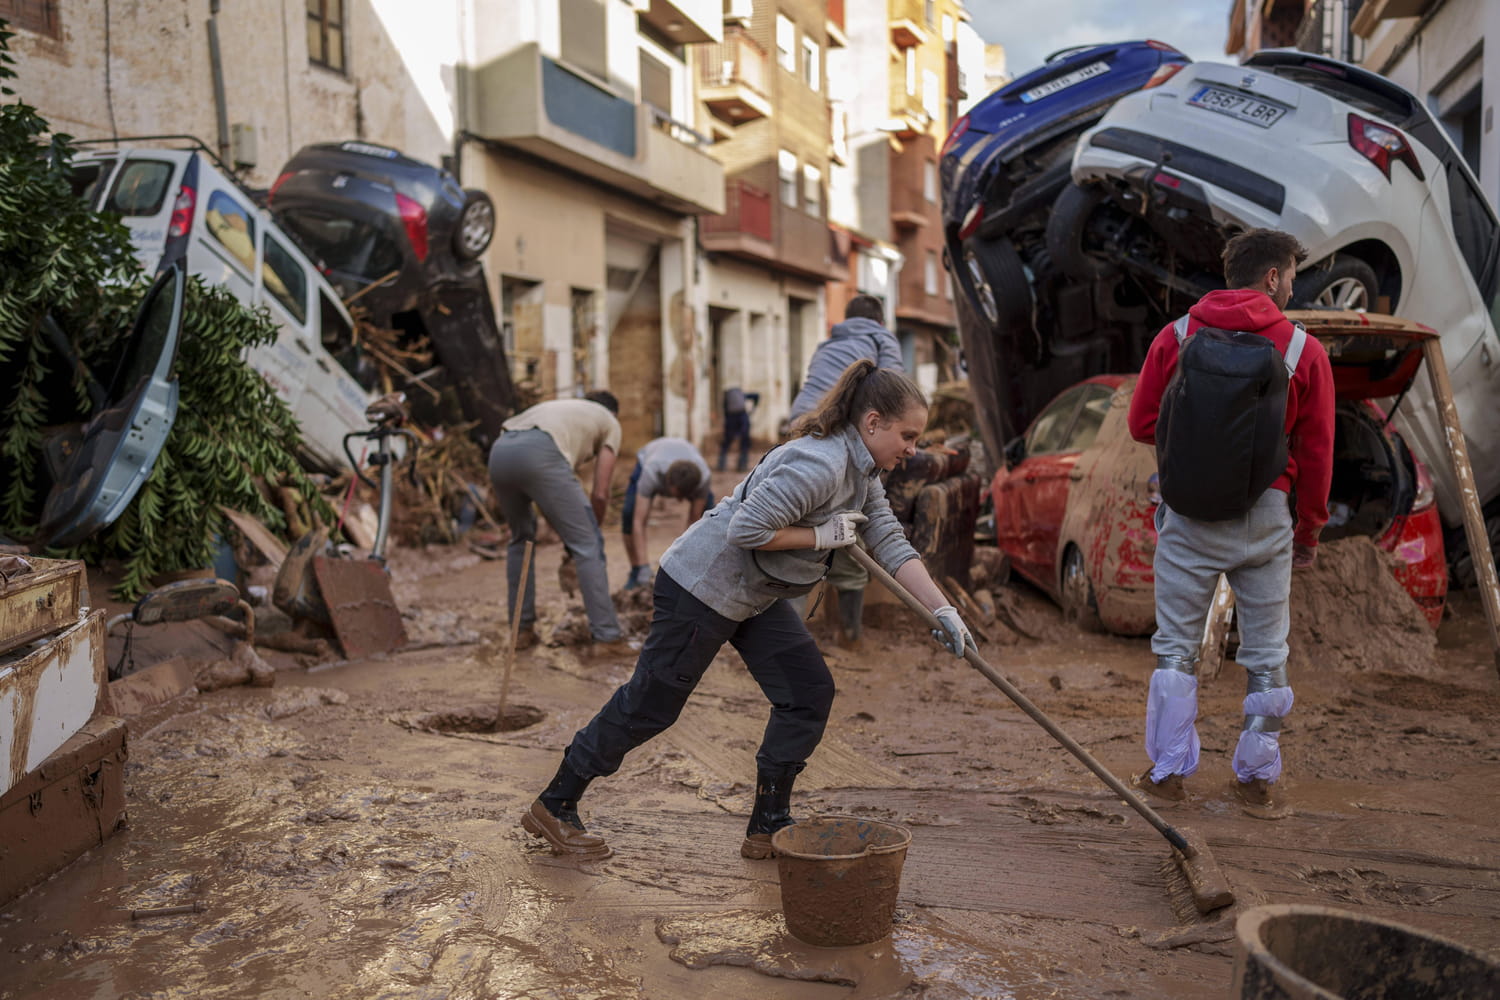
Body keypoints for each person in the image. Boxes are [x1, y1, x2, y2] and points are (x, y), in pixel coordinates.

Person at [520, 361, 975, 860]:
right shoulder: (820, 463)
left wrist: (942, 610)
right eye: (907, 436)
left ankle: (768, 824)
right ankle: (556, 803)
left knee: (807, 691)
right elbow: (747, 530)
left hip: (757, 594)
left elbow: (888, 540)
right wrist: (820, 536)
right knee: (652, 705)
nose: (912, 449)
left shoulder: (861, 470)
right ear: (872, 423)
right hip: (702, 585)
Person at [1126, 228, 1334, 811]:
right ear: (1272, 277)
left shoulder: (1177, 335)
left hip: (1188, 513)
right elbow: (1317, 457)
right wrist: (1309, 530)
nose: (1293, 284)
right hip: (1267, 516)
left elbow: (1142, 424)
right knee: (1267, 654)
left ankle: (1167, 773)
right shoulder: (1303, 351)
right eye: (1291, 273)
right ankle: (1257, 777)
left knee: (1175, 648)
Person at [787, 294, 905, 648]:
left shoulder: (827, 344)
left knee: (796, 533)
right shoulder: (882, 340)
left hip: (798, 429)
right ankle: (849, 635)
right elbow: (895, 395)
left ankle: (787, 640)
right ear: (880, 322)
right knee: (849, 526)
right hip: (838, 436)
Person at [488, 391, 628, 652]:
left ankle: (521, 632)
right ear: (613, 413)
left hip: (500, 452)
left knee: (520, 539)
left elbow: (553, 502)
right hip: (542, 450)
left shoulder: (562, 408)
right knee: (588, 545)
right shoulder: (609, 422)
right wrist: (588, 534)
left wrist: (568, 536)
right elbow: (600, 493)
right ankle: (607, 638)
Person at [623, 437, 715, 590]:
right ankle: (636, 571)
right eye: (677, 495)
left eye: (683, 497)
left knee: (709, 523)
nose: (678, 501)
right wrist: (644, 565)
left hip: (691, 465)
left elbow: (694, 525)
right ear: (667, 483)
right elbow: (639, 521)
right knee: (629, 514)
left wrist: (684, 569)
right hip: (651, 454)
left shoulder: (703, 479)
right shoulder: (651, 472)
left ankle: (702, 574)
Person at [718, 387, 760, 473]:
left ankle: (722, 465)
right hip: (741, 418)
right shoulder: (741, 396)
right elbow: (756, 396)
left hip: (732, 419)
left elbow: (725, 412)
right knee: (744, 442)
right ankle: (742, 465)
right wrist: (754, 408)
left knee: (728, 442)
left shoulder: (728, 399)